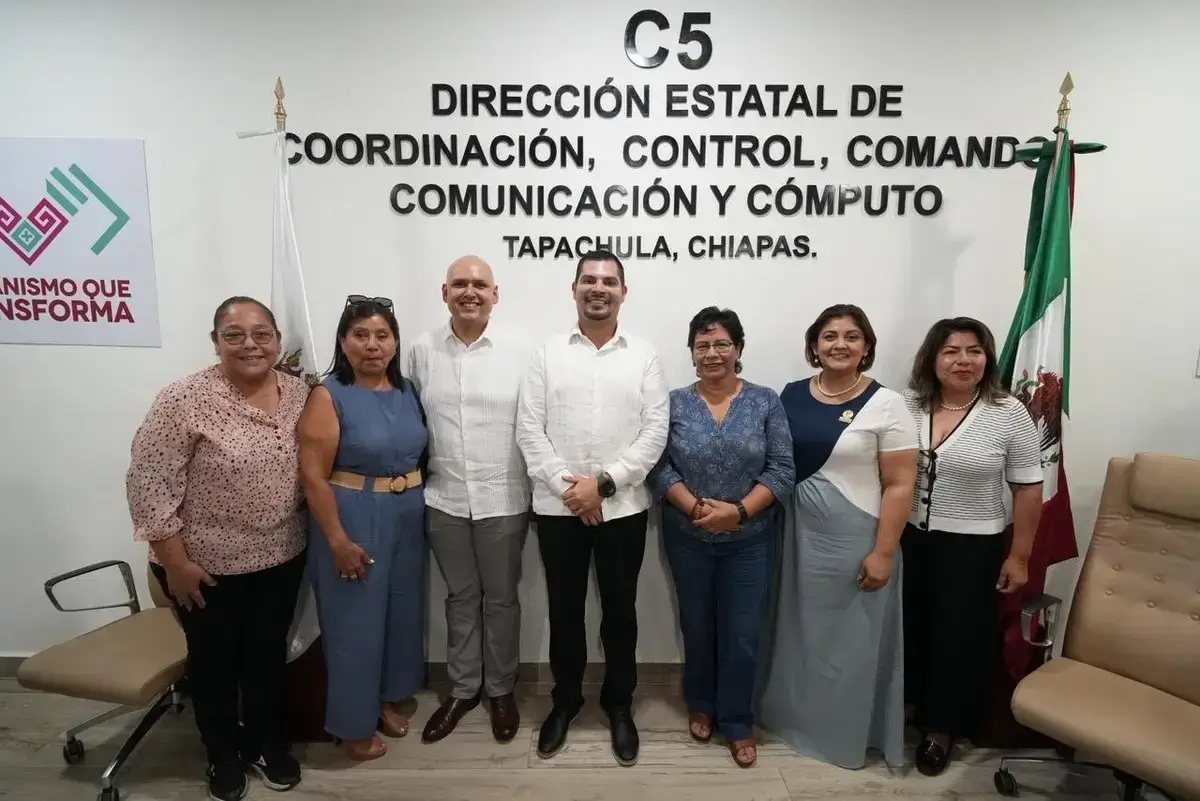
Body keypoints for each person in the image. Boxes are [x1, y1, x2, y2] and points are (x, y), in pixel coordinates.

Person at [126, 296, 308, 801]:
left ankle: (266, 742)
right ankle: (222, 754)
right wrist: (175, 563)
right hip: (204, 566)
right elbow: (148, 485)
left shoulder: (299, 394)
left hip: (282, 556)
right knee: (213, 663)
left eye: (262, 333)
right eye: (235, 334)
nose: (250, 343)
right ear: (216, 342)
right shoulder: (183, 400)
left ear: (277, 340)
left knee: (267, 657)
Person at [515, 250, 669, 766]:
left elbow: (654, 433)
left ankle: (618, 703)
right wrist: (571, 489)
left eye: (609, 281)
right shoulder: (546, 352)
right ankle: (566, 700)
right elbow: (529, 431)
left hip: (622, 509)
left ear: (624, 292)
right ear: (574, 288)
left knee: (621, 614)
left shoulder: (644, 355)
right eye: (588, 279)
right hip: (559, 511)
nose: (597, 288)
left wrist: (601, 485)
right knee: (564, 611)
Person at [756, 304, 918, 770]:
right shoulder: (789, 395)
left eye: (851, 336)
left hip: (856, 540)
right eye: (829, 336)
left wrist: (884, 551)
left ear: (866, 346)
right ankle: (793, 722)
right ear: (814, 346)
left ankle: (844, 735)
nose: (840, 344)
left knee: (851, 644)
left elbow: (901, 483)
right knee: (797, 632)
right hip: (795, 534)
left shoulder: (886, 404)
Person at [648, 306, 794, 768]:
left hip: (750, 539)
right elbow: (658, 465)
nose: (712, 353)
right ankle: (701, 703)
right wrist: (694, 507)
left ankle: (736, 718)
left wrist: (739, 511)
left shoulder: (765, 401)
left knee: (743, 632)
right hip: (686, 535)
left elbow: (783, 468)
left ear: (738, 350)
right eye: (702, 345)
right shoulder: (672, 402)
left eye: (721, 344)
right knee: (696, 623)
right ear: (692, 354)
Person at [900, 317, 1042, 776]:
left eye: (974, 351)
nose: (963, 360)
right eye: (951, 351)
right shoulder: (907, 405)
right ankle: (909, 707)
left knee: (956, 639)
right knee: (912, 627)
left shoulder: (1008, 411)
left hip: (972, 546)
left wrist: (1019, 556)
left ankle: (941, 729)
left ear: (987, 358)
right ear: (932, 359)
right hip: (908, 541)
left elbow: (1028, 488)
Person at [405, 255, 531, 744]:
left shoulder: (521, 352)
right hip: (445, 499)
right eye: (460, 284)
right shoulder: (420, 350)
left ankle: (501, 690)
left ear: (495, 295)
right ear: (445, 293)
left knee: (500, 599)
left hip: (504, 497)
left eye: (480, 284)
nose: (470, 292)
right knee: (460, 598)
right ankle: (463, 690)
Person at [298, 295, 429, 762]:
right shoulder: (328, 394)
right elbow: (312, 476)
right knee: (354, 623)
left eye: (382, 335)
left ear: (394, 343)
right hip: (354, 514)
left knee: (400, 614)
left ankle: (385, 700)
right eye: (360, 335)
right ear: (343, 341)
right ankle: (353, 724)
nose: (372, 345)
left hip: (409, 513)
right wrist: (336, 539)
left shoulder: (408, 391)